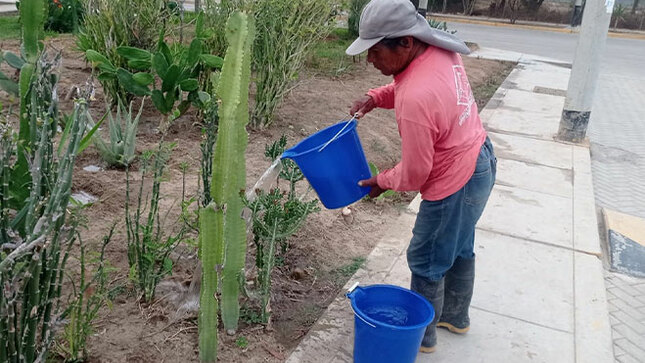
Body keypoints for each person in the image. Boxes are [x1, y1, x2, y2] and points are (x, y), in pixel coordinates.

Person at [346, 0, 497, 354]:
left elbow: (415, 173)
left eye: (375, 51)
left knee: (427, 257)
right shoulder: (438, 53)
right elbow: (421, 87)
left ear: (406, 42)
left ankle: (422, 338)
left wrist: (380, 182)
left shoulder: (415, 99)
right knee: (459, 246)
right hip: (481, 159)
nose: (370, 60)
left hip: (454, 179)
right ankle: (455, 317)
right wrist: (376, 97)